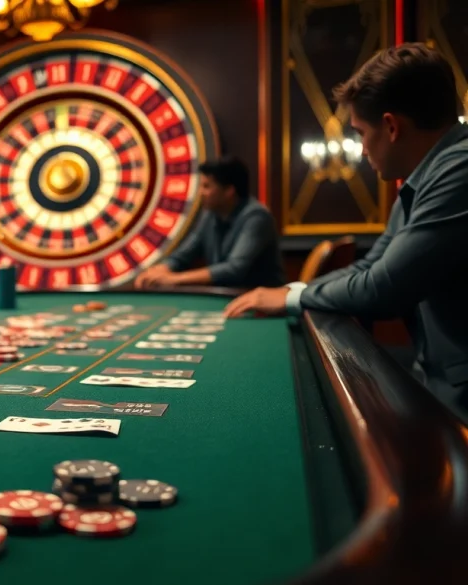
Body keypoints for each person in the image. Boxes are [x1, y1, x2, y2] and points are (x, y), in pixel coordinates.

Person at [223, 43, 468, 415]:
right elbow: (371, 265)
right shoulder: (426, 176)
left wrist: (293, 299)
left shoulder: (458, 171)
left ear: (390, 126)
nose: (362, 148)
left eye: (359, 132)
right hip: (438, 382)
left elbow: (384, 287)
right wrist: (294, 290)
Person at [134, 156, 284, 289]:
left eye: (206, 186)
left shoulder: (257, 217)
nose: (200, 192)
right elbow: (183, 255)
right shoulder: (210, 216)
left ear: (229, 191)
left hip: (262, 306)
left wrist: (174, 279)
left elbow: (234, 269)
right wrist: (162, 269)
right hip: (228, 298)